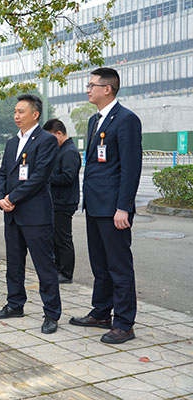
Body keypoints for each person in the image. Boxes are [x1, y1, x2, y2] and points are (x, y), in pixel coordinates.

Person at [69, 67, 142, 344]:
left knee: (119, 267)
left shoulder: (126, 120)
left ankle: (124, 323)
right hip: (95, 205)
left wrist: (124, 207)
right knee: (100, 265)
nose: (88, 90)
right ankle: (101, 312)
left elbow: (131, 167)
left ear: (107, 89)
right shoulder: (94, 120)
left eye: (92, 85)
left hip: (114, 208)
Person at [0, 94, 61, 334]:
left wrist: (12, 198)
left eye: (21, 112)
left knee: (44, 266)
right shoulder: (12, 143)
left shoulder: (46, 141)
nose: (16, 116)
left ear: (35, 114)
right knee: (14, 264)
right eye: (15, 112)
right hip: (12, 214)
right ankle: (15, 304)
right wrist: (1, 199)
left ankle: (51, 313)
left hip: (35, 215)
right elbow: (2, 173)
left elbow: (39, 177)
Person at [42, 118, 81, 284]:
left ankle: (66, 273)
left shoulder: (69, 152)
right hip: (56, 201)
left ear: (59, 133)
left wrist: (45, 178)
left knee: (63, 239)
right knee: (55, 239)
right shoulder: (60, 150)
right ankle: (58, 269)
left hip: (64, 202)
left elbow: (68, 177)